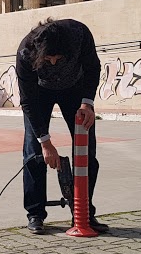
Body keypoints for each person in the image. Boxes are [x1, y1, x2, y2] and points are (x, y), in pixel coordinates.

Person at [16, 17, 107, 235]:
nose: (54, 63)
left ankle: (83, 212)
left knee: (86, 151)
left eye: (59, 58)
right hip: (39, 94)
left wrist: (87, 103)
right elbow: (27, 101)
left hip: (75, 90)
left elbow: (93, 68)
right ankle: (35, 213)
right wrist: (45, 142)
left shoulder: (80, 35)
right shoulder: (25, 52)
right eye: (48, 59)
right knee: (33, 152)